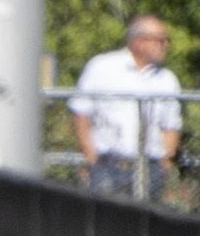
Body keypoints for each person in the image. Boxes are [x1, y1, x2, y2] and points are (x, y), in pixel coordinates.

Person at [70, 14, 183, 200]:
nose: (166, 46)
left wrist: (164, 163)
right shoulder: (102, 67)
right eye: (161, 40)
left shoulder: (167, 79)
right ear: (139, 41)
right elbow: (81, 113)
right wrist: (90, 155)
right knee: (105, 222)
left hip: (149, 168)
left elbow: (171, 126)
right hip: (108, 164)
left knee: (144, 225)